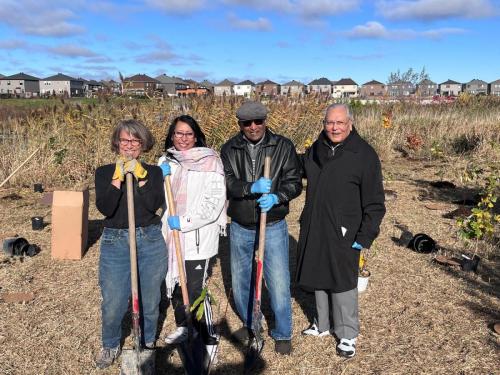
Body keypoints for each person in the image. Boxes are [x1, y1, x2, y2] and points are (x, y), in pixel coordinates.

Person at [296, 103, 386, 358]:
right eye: (329, 123)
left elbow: (375, 203)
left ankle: (347, 333)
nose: (334, 128)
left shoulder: (364, 155)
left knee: (343, 281)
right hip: (315, 222)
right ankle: (322, 324)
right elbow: (299, 167)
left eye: (339, 123)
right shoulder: (316, 149)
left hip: (346, 229)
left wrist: (365, 235)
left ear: (350, 123)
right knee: (318, 271)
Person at [220, 100, 302, 355]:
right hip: (241, 226)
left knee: (278, 281)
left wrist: (277, 196)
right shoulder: (230, 148)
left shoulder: (283, 146)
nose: (253, 127)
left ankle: (282, 331)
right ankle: (250, 322)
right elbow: (227, 182)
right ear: (240, 124)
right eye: (247, 123)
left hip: (273, 224)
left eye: (258, 121)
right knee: (242, 279)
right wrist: (249, 188)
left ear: (266, 121)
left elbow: (294, 182)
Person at [94, 119, 167, 369]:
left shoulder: (153, 172)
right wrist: (117, 178)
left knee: (150, 298)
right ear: (116, 143)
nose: (129, 145)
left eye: (135, 141)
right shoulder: (103, 172)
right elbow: (105, 207)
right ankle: (111, 343)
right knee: (113, 300)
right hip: (116, 240)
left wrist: (142, 178)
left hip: (149, 239)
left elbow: (153, 204)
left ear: (143, 144)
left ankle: (146, 344)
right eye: (125, 140)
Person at [158, 115, 226, 361]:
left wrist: (185, 222)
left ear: (196, 136)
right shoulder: (166, 161)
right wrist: (158, 175)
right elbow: (161, 199)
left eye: (188, 134)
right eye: (178, 133)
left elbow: (214, 203)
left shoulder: (210, 161)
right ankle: (185, 326)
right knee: (176, 282)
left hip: (197, 237)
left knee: (195, 288)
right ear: (171, 135)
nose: (183, 138)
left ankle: (209, 337)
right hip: (172, 235)